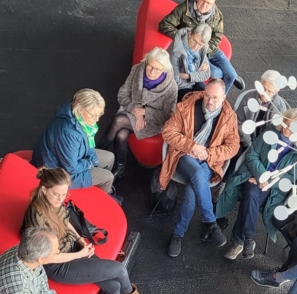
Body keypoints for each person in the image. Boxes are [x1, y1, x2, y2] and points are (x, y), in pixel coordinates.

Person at [22, 167, 156, 294]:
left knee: (113, 285)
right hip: (59, 265)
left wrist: (80, 240)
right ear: (44, 189)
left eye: (64, 194)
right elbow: (47, 258)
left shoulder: (52, 201)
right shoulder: (38, 217)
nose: (60, 199)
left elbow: (66, 221)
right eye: (56, 194)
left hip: (72, 249)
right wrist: (80, 254)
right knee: (119, 270)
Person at [218, 108, 297, 261]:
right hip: (253, 174)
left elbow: (290, 177)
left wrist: (267, 181)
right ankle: (247, 238)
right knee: (252, 194)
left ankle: (241, 241)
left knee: (251, 196)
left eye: (292, 129)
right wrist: (261, 175)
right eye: (286, 125)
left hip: (273, 187)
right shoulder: (271, 132)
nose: (286, 130)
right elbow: (252, 154)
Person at [159, 79, 240, 258]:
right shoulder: (186, 107)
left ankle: (177, 234)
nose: (210, 101)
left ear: (224, 97)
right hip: (184, 155)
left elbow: (233, 147)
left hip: (208, 161)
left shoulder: (229, 117)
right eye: (207, 96)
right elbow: (168, 132)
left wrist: (209, 153)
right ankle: (210, 221)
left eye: (215, 98)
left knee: (191, 190)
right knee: (196, 173)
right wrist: (192, 146)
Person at [106, 47, 178, 178]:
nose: (152, 72)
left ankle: (95, 155)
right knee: (121, 135)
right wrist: (137, 112)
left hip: (153, 121)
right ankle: (118, 168)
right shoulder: (137, 70)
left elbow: (168, 115)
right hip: (132, 110)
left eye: (157, 69)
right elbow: (122, 95)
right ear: (146, 62)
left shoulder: (171, 87)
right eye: (150, 66)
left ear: (164, 69)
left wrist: (145, 112)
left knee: (118, 121)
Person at [159, 0, 244, 94]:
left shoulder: (217, 15)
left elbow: (218, 36)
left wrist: (205, 49)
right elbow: (165, 24)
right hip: (193, 50)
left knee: (231, 76)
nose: (204, 5)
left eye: (208, 3)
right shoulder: (184, 9)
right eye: (202, 0)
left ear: (213, 3)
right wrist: (182, 37)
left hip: (211, 49)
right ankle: (225, 75)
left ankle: (221, 97)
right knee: (214, 73)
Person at [33, 89, 115, 193]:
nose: (97, 119)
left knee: (110, 157)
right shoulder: (69, 132)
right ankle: (103, 195)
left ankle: (100, 186)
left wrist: (92, 159)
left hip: (72, 158)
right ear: (80, 109)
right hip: (57, 173)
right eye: (92, 115)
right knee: (108, 177)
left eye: (99, 114)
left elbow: (88, 143)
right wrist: (89, 163)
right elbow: (71, 168)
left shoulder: (80, 119)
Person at [234, 70, 289, 149]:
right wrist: (248, 144)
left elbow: (277, 133)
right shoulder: (247, 98)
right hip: (244, 139)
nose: (264, 93)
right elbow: (238, 122)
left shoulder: (281, 108)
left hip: (265, 146)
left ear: (276, 91)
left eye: (269, 91)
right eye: (263, 88)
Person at [170, 23, 212, 101]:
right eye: (194, 41)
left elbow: (207, 74)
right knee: (191, 102)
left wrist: (188, 76)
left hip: (194, 82)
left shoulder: (202, 49)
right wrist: (198, 72)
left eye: (200, 44)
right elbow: (175, 79)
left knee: (207, 98)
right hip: (180, 87)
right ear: (190, 34)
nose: (196, 47)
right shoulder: (176, 49)